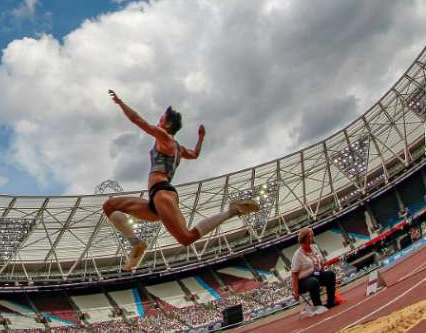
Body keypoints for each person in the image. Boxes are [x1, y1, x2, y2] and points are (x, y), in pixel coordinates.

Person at [102, 90, 261, 271]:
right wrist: (201, 138)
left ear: (167, 124)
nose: (158, 122)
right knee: (109, 206)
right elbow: (194, 154)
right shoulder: (179, 148)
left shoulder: (164, 138)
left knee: (186, 238)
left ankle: (233, 211)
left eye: (161, 119)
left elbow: (138, 120)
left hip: (162, 193)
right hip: (156, 200)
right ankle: (137, 244)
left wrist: (121, 102)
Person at [291, 228, 337, 309]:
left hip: (316, 274)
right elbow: (294, 274)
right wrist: (296, 291)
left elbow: (321, 263)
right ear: (304, 239)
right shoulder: (298, 254)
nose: (312, 238)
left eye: (312, 236)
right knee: (313, 281)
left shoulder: (315, 247)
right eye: (309, 236)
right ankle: (318, 306)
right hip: (303, 281)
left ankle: (331, 302)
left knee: (330, 274)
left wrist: (323, 274)